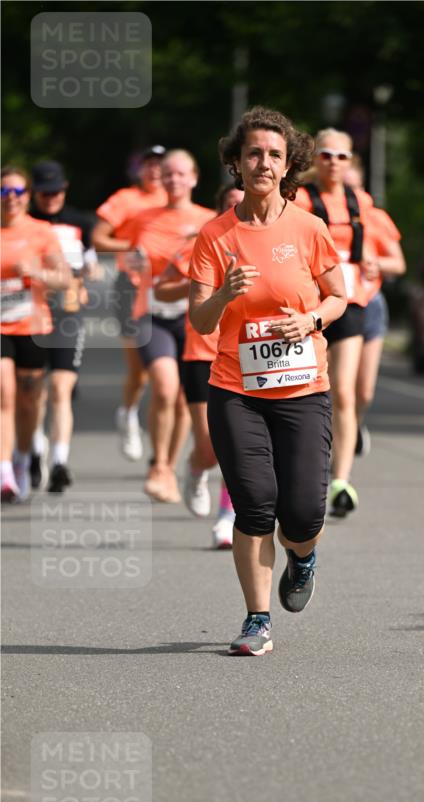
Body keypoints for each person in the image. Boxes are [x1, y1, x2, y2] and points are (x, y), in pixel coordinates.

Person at [189, 106, 346, 655]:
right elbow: (200, 320)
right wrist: (224, 293)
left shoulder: (309, 228)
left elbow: (338, 294)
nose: (264, 162)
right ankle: (257, 619)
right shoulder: (215, 234)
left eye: (274, 154)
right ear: (236, 161)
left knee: (302, 514)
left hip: (303, 389)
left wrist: (311, 319)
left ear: (288, 165)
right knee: (255, 503)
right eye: (253, 152)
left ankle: (302, 557)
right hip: (236, 390)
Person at [153, 183, 242, 547]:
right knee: (210, 446)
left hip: (246, 355)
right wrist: (200, 282)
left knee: (236, 443)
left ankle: (227, 517)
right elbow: (161, 289)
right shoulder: (201, 244)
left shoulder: (272, 243)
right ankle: (194, 468)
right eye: (233, 206)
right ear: (220, 211)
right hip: (202, 353)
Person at [126, 149, 214, 503]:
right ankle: (159, 465)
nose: (174, 179)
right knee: (164, 385)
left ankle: (172, 467)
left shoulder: (210, 220)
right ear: (160, 178)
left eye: (181, 174)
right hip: (151, 312)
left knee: (182, 398)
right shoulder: (142, 217)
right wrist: (131, 260)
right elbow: (118, 249)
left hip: (194, 316)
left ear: (194, 178)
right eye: (168, 174)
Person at [295, 129, 374, 518]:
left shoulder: (360, 201)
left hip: (350, 302)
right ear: (315, 159)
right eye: (326, 155)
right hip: (307, 307)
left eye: (342, 156)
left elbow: (376, 249)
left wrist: (374, 262)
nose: (334, 162)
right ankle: (304, 466)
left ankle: (340, 479)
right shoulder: (299, 199)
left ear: (351, 161)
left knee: (345, 392)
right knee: (311, 392)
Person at [92, 146, 167, 461]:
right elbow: (99, 238)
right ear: (140, 170)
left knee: (166, 372)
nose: (155, 171)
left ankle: (159, 451)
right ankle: (129, 413)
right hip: (130, 287)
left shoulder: (174, 200)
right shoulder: (126, 199)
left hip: (167, 289)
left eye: (160, 165)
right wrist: (134, 245)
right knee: (140, 371)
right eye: (149, 165)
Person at [1, 165, 70, 501]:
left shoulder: (41, 231)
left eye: (17, 192)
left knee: (29, 403)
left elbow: (64, 278)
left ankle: (22, 459)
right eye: (4, 192)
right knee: (4, 391)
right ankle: (3, 472)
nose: (10, 199)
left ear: (27, 197)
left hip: (33, 326)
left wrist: (36, 271)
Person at [29, 160, 98, 492]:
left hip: (68, 313)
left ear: (64, 188)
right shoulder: (21, 222)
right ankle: (34, 452)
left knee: (60, 388)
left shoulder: (79, 223)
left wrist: (80, 279)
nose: (50, 198)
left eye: (55, 191)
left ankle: (59, 462)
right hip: (29, 315)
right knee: (33, 393)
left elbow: (93, 267)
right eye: (43, 193)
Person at [343, 157, 406, 456]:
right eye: (343, 188)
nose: (349, 195)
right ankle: (337, 440)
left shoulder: (376, 218)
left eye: (354, 187)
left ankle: (352, 424)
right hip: (338, 303)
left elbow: (399, 263)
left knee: (363, 390)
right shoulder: (321, 215)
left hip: (370, 303)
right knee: (338, 388)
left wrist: (376, 263)